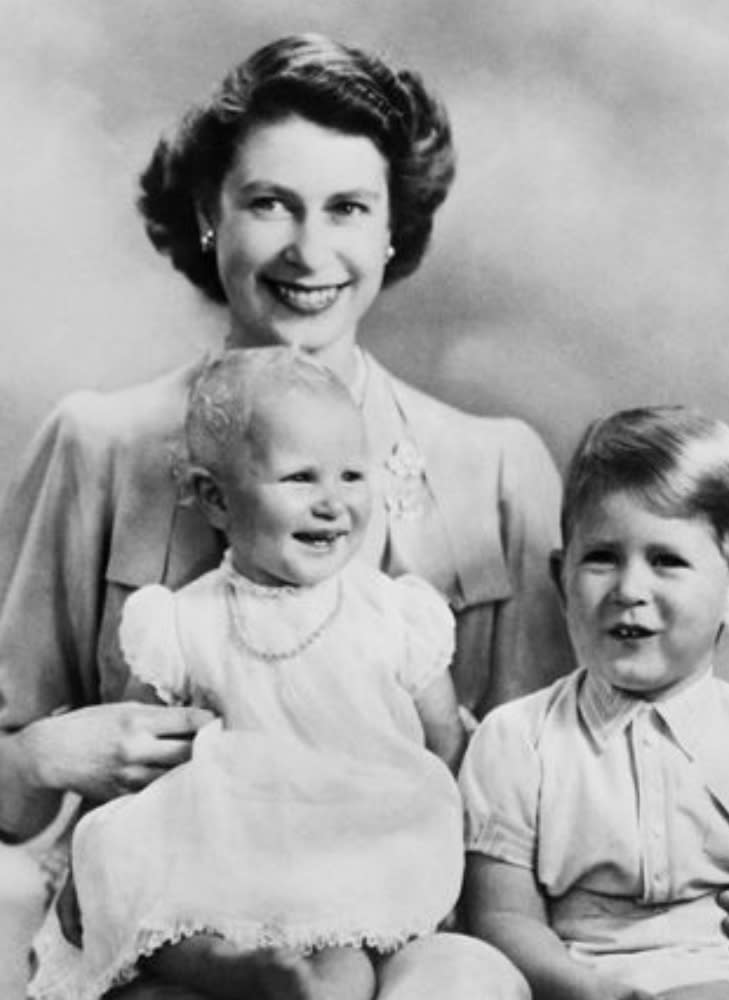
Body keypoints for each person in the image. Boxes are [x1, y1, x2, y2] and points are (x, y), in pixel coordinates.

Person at [0, 30, 729, 998]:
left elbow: (573, 759)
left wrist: (719, 899)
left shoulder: (493, 465)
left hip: (417, 904)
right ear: (209, 215)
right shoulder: (99, 444)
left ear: (389, 230)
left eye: (346, 209)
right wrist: (38, 755)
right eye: (266, 203)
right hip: (172, 912)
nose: (308, 250)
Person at [31, 347, 469, 1000]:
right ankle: (232, 969)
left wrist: (447, 851)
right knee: (161, 931)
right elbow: (129, 756)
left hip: (347, 846)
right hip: (219, 847)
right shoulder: (182, 621)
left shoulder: (393, 614)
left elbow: (447, 743)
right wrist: (89, 866)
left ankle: (297, 983)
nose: (332, 503)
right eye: (299, 479)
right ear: (215, 498)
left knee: (343, 964)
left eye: (352, 475)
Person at [459, 405, 729, 999]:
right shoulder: (516, 739)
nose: (629, 590)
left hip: (724, 983)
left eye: (666, 561)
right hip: (572, 985)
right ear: (563, 579)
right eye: (602, 558)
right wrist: (591, 991)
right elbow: (502, 917)